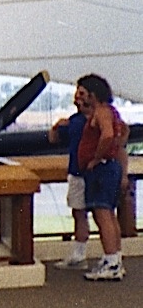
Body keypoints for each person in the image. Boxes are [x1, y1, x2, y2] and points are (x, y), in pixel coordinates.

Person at [73, 74, 128, 282]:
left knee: (102, 214)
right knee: (108, 214)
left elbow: (106, 135)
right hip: (109, 168)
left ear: (94, 94)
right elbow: (123, 131)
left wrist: (97, 158)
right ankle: (113, 257)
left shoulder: (102, 112)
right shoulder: (111, 112)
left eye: (84, 93)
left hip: (102, 170)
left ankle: (112, 262)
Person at [49, 89, 90, 268]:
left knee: (96, 214)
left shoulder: (92, 119)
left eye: (82, 93)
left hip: (85, 173)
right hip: (78, 172)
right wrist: (57, 126)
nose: (77, 98)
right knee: (79, 212)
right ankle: (80, 253)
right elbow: (53, 139)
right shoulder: (74, 121)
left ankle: (84, 255)